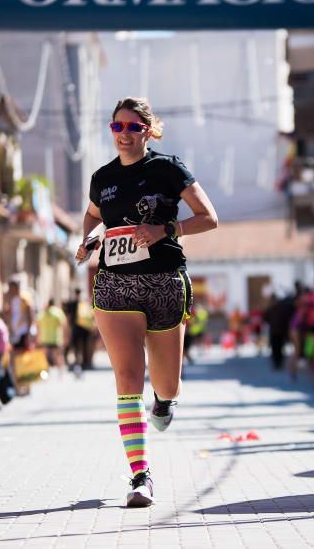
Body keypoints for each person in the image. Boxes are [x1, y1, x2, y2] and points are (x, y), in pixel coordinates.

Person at [75, 96, 218, 508]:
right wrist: (87, 241)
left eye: (133, 127)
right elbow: (91, 215)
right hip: (115, 285)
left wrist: (167, 229)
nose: (124, 134)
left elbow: (209, 217)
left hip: (164, 283)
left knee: (165, 383)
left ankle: (166, 401)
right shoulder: (102, 177)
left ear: (148, 130)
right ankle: (140, 476)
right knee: (126, 378)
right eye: (117, 127)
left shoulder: (169, 168)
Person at [37, 298, 67, 373]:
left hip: (45, 337)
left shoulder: (44, 312)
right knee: (57, 356)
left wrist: (38, 336)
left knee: (45, 356)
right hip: (55, 337)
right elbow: (63, 324)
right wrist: (65, 336)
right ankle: (60, 372)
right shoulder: (58, 312)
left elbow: (37, 323)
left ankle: (45, 372)